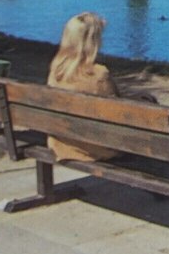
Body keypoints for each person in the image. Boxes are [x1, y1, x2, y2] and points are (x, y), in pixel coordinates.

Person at [46, 12, 120, 162]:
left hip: (62, 143)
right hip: (96, 148)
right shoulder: (99, 75)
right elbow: (119, 113)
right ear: (93, 41)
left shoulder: (55, 72)